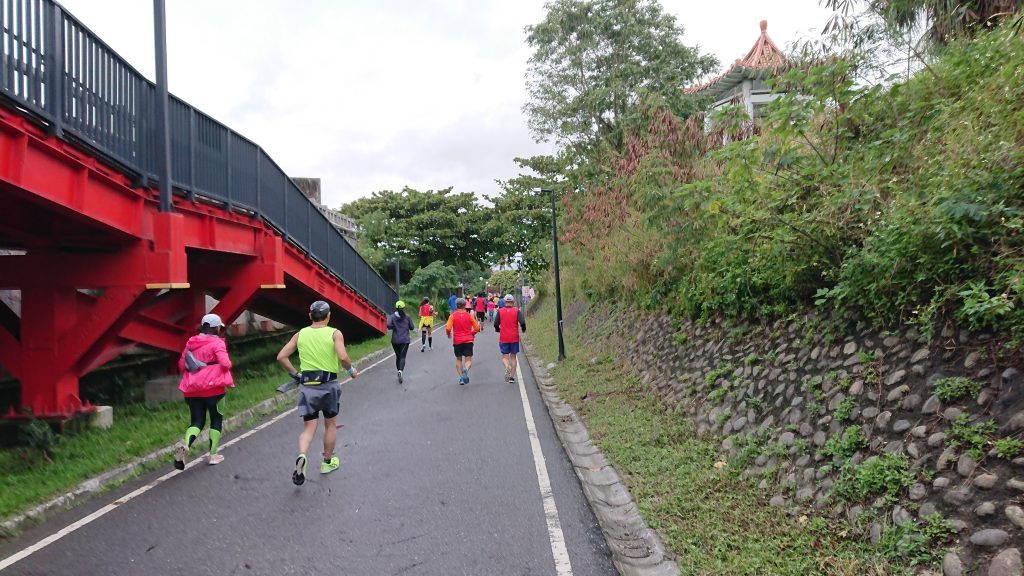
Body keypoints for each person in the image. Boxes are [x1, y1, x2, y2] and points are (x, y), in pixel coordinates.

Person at [276, 300, 358, 486]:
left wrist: (296, 374)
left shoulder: (300, 334)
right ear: (328, 316)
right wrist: (351, 371)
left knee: (308, 428)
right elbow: (343, 357)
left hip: (308, 387)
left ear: (310, 316)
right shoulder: (335, 333)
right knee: (330, 424)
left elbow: (281, 356)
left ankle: (302, 456)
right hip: (329, 385)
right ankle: (327, 463)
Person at [174, 313, 234, 468]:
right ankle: (213, 455)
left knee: (197, 421)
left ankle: (186, 445)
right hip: (214, 389)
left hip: (192, 389)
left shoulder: (190, 342)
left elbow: (181, 364)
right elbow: (225, 363)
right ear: (215, 328)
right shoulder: (217, 343)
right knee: (216, 419)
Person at [445, 297, 480, 385]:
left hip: (457, 341)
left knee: (459, 359)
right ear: (465, 305)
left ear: (456, 306)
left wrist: (449, 334)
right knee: (468, 360)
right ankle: (466, 369)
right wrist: (472, 333)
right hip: (468, 340)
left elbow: (448, 328)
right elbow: (477, 328)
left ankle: (461, 378)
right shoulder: (470, 316)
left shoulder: (452, 316)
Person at [494, 294, 527, 384]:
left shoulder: (500, 311)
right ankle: (512, 377)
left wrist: (498, 330)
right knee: (513, 357)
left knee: (505, 357)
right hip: (514, 337)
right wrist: (523, 329)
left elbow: (496, 324)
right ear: (513, 302)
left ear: (504, 302)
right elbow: (522, 322)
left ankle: (507, 366)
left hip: (504, 337)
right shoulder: (517, 311)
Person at [386, 300, 416, 383]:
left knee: (398, 356)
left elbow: (388, 325)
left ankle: (398, 370)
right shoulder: (407, 317)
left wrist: (394, 326)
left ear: (396, 308)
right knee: (403, 357)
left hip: (395, 340)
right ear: (404, 308)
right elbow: (412, 327)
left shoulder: (392, 317)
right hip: (405, 340)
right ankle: (400, 371)